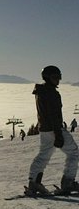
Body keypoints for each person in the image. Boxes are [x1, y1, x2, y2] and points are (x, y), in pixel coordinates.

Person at [26, 66, 79, 195]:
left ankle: (34, 182)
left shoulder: (41, 91)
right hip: (54, 129)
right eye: (55, 77)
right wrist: (58, 134)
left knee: (43, 155)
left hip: (45, 130)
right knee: (74, 153)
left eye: (59, 77)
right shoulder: (51, 93)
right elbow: (53, 114)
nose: (58, 80)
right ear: (47, 78)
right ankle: (68, 182)